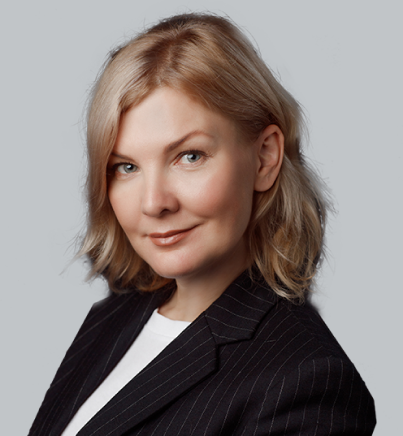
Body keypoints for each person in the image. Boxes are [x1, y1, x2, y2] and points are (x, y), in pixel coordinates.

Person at [29, 13, 376, 436]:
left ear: (265, 157)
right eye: (126, 167)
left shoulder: (307, 381)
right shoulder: (114, 315)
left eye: (189, 156)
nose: (154, 203)